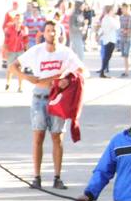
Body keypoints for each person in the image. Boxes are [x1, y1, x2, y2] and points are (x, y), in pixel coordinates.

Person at [12, 22, 84, 190]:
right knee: (38, 137)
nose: (52, 33)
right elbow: (13, 66)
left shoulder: (66, 53)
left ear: (60, 33)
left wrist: (68, 77)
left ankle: (57, 177)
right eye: (49, 30)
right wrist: (26, 77)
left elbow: (82, 70)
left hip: (57, 98)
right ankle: (36, 177)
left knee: (57, 137)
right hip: (39, 97)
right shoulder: (36, 51)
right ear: (43, 33)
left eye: (55, 31)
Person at [95, 4, 119, 77]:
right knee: (107, 56)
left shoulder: (105, 18)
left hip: (106, 39)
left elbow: (102, 28)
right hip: (111, 39)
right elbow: (117, 26)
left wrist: (98, 35)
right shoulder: (110, 19)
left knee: (106, 55)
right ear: (111, 11)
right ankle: (103, 71)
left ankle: (103, 70)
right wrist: (116, 19)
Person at [117, 2, 131, 76]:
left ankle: (127, 71)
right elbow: (119, 26)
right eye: (122, 8)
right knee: (124, 55)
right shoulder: (121, 17)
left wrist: (128, 30)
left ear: (128, 8)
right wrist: (122, 30)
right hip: (122, 37)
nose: (122, 10)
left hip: (129, 38)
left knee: (126, 55)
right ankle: (127, 68)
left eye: (124, 8)